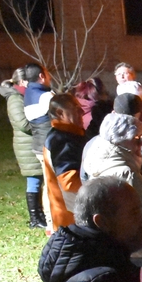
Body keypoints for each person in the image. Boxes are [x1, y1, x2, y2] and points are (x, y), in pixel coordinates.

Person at [81, 111, 142, 266]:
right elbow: (139, 217)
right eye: (136, 139)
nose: (141, 144)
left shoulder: (102, 160)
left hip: (127, 247)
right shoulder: (124, 173)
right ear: (119, 141)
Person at [0, 69, 46, 228]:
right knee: (33, 180)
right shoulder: (15, 99)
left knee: (38, 180)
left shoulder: (23, 96)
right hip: (26, 145)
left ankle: (39, 215)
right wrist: (41, 123)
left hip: (31, 143)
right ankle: (35, 218)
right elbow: (23, 124)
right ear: (23, 82)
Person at [41, 93, 90, 231]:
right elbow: (69, 182)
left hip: (74, 212)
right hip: (72, 215)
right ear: (60, 113)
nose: (82, 111)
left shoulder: (69, 135)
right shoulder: (62, 140)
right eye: (76, 108)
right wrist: (98, 183)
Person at [22, 62, 54, 158]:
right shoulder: (46, 96)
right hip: (51, 146)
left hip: (38, 146)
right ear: (41, 76)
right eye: (47, 73)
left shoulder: (27, 94)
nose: (50, 77)